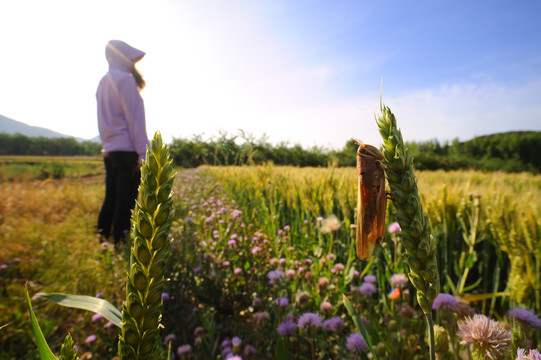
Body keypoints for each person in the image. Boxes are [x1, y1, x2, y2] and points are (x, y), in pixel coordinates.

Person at [96, 40, 150, 244]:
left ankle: (102, 238)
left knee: (111, 197)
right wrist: (143, 154)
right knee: (126, 199)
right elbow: (135, 120)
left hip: (110, 150)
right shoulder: (126, 80)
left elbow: (103, 121)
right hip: (128, 151)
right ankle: (120, 243)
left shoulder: (103, 82)